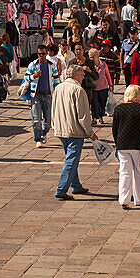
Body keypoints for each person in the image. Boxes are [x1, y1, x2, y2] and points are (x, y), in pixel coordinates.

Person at [51, 65, 97, 200]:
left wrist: (55, 126)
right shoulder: (78, 90)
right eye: (82, 75)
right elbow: (83, 115)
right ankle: (61, 189)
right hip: (74, 131)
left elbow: (53, 109)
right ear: (75, 75)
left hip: (61, 129)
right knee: (71, 159)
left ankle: (76, 185)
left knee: (71, 158)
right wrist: (90, 132)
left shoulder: (58, 88)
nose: (83, 77)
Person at [111, 85, 140, 209]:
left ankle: (123, 199)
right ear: (136, 95)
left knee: (124, 172)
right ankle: (139, 198)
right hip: (136, 144)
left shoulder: (119, 109)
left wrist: (117, 142)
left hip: (122, 144)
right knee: (138, 171)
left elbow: (114, 129)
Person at [24, 45, 58, 148]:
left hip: (48, 95)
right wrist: (33, 76)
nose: (41, 56)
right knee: (36, 119)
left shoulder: (52, 65)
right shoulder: (33, 65)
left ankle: (43, 133)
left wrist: (57, 93)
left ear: (47, 53)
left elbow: (56, 80)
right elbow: (26, 77)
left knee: (48, 121)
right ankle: (38, 139)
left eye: (43, 54)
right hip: (36, 95)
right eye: (39, 54)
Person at [89, 48, 112, 126]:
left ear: (97, 56)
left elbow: (108, 75)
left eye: (92, 57)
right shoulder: (89, 66)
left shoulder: (103, 64)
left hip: (103, 87)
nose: (91, 59)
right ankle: (94, 118)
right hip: (93, 87)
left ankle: (101, 116)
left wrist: (110, 85)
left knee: (102, 103)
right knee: (94, 103)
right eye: (90, 57)